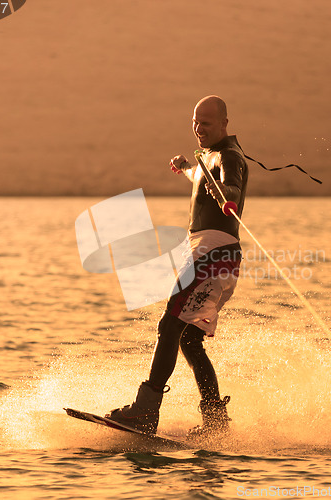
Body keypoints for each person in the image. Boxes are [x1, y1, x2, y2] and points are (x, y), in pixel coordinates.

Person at [106, 95, 248, 439]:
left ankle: (145, 410)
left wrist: (227, 194)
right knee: (190, 340)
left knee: (169, 326)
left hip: (212, 251)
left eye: (208, 123)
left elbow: (230, 183)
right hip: (217, 255)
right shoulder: (207, 159)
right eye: (195, 122)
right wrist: (186, 167)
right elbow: (201, 176)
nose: (200, 129)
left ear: (225, 124)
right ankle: (215, 422)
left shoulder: (230, 156)